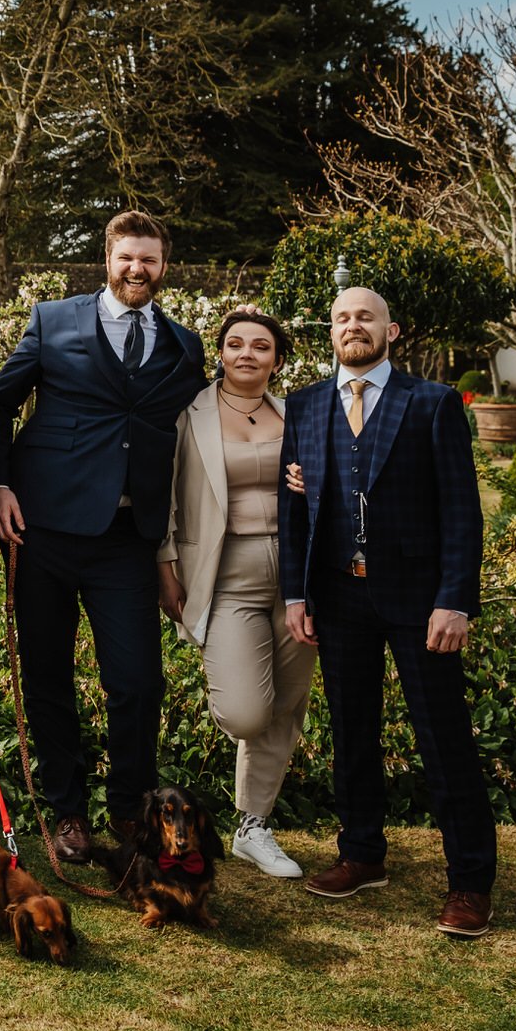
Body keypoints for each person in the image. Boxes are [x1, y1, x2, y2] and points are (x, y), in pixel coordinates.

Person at [0, 210, 207, 862]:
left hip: (126, 539)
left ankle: (129, 811)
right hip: (43, 530)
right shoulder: (53, 322)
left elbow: (201, 432)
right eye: (127, 258)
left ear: (164, 265)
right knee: (48, 674)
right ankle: (68, 812)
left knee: (138, 682)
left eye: (149, 260)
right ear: (107, 259)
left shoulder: (183, 345)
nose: (137, 269)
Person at [279, 287, 496, 937]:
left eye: (365, 316)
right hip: (339, 595)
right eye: (342, 317)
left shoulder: (431, 402)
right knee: (351, 731)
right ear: (332, 330)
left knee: (443, 738)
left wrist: (454, 598)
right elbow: (295, 512)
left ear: (391, 329)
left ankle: (470, 882)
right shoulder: (306, 404)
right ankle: (362, 853)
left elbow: (462, 509)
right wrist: (297, 593)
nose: (353, 325)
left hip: (418, 598)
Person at [156, 308, 312, 879]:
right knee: (249, 712)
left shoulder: (298, 415)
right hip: (226, 574)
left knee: (289, 703)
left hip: (298, 575)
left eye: (261, 346)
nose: (247, 353)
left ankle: (254, 826)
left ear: (277, 358)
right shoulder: (189, 414)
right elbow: (165, 492)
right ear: (220, 352)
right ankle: (250, 812)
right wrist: (165, 563)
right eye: (235, 343)